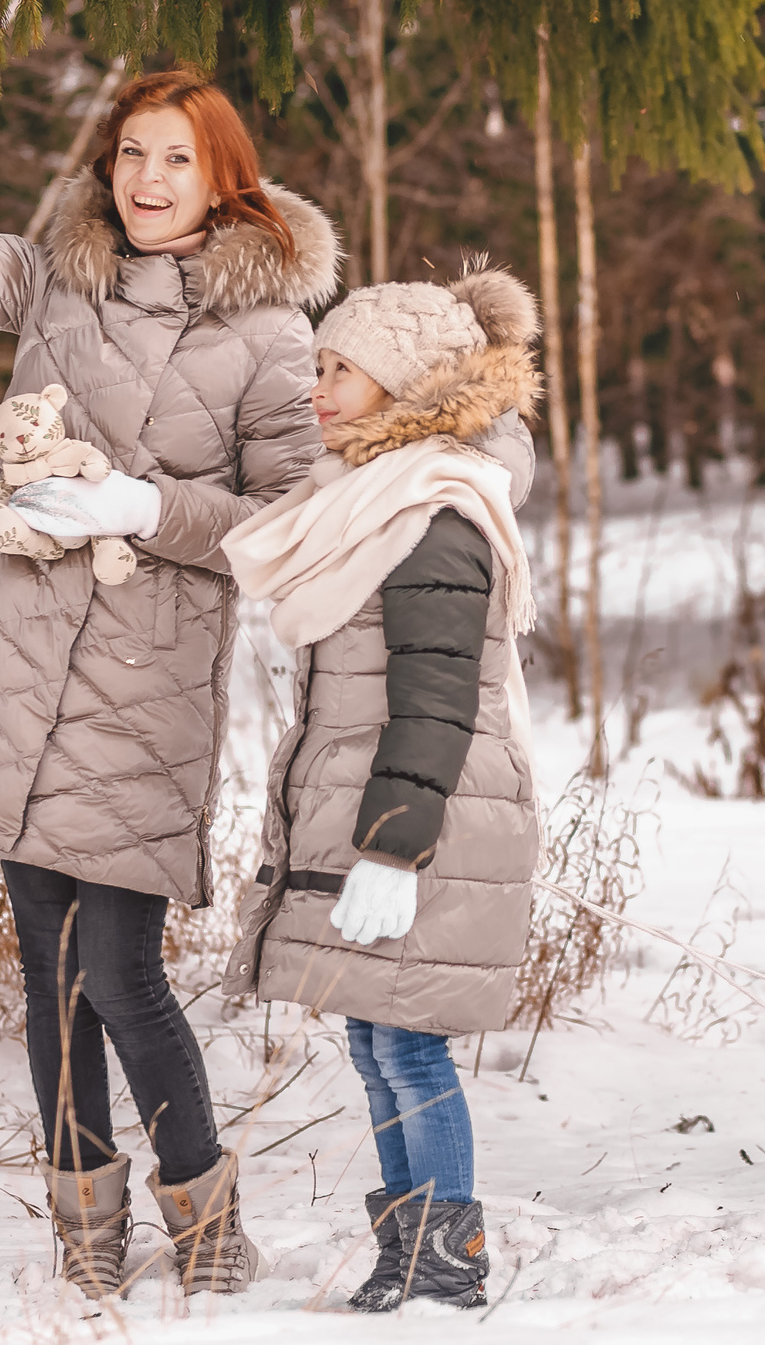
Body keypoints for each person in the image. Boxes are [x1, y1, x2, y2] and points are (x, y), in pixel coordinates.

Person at [0, 0, 338, 1299]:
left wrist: (146, 506)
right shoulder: (55, 273)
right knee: (44, 968)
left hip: (142, 684)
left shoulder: (268, 333)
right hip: (18, 666)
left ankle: (207, 1219)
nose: (147, 178)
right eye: (131, 152)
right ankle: (85, 1234)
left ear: (225, 178)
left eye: (177, 156)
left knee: (118, 965)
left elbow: (296, 522)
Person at [219, 264, 543, 1312]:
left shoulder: (432, 511)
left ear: (400, 384)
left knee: (408, 1046)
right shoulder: (368, 495)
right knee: (374, 1041)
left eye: (341, 370)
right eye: (317, 365)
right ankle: (408, 1250)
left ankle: (450, 1258)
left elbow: (436, 697)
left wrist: (396, 847)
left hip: (422, 825)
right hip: (377, 816)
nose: (317, 388)